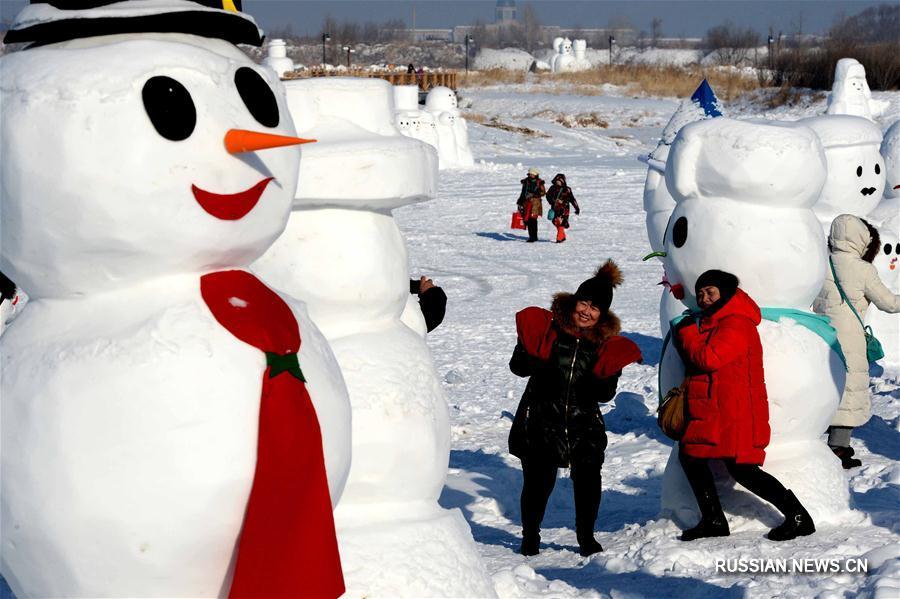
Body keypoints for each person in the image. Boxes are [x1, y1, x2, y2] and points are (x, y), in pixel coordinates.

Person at [509, 261, 642, 556]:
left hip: (585, 424)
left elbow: (606, 394)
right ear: (573, 301)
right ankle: (530, 535)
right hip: (542, 419)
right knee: (537, 484)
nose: (587, 311)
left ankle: (586, 537)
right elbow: (517, 368)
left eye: (595, 308)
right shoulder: (547, 331)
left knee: (588, 484)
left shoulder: (605, 345)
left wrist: (605, 374)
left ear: (602, 314)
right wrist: (531, 354)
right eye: (584, 302)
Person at [673, 270, 815, 542]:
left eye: (710, 292)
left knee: (743, 469)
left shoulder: (736, 322)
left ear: (725, 293)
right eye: (700, 294)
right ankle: (714, 519)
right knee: (692, 456)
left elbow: (708, 358)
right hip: (717, 410)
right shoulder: (717, 321)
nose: (703, 299)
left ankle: (798, 516)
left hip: (734, 412)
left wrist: (688, 332)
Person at [813, 215, 900, 468]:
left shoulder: (821, 263)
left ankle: (818, 438)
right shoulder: (862, 269)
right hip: (849, 337)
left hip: (820, 335)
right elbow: (889, 303)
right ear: (860, 239)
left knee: (825, 384)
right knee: (849, 388)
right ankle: (838, 447)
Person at [546, 173, 580, 244]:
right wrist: (553, 201)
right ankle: (562, 236)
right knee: (555, 222)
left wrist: (577, 208)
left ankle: (559, 238)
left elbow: (572, 199)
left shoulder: (567, 189)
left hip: (564, 209)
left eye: (560, 181)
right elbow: (548, 196)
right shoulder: (552, 188)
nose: (558, 182)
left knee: (562, 222)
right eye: (557, 180)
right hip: (555, 208)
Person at [517, 168, 545, 243]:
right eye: (530, 174)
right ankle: (531, 236)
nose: (531, 175)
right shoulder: (526, 181)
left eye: (532, 174)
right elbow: (523, 192)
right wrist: (520, 200)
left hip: (535, 204)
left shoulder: (539, 182)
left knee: (533, 220)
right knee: (528, 220)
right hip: (526, 202)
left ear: (536, 174)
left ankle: (534, 236)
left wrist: (534, 194)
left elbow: (543, 193)